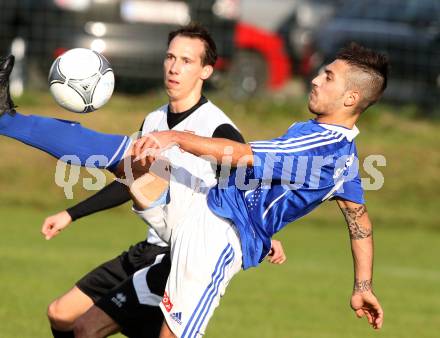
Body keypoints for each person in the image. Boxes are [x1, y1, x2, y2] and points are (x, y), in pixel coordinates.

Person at [0, 42, 387, 336]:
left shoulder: (319, 146)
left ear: (351, 98)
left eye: (329, 77)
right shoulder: (343, 154)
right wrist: (363, 285)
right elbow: (359, 219)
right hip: (203, 203)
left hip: (219, 237)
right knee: (134, 155)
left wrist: (176, 137)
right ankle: (6, 119)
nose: (316, 78)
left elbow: (240, 154)